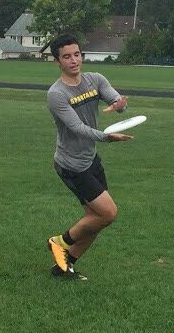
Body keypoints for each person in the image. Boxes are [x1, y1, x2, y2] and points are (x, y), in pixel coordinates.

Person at [44, 34, 133, 281]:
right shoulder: (57, 94)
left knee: (96, 219)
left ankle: (64, 266)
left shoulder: (95, 79)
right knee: (108, 214)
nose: (74, 60)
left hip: (90, 159)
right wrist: (107, 137)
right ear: (57, 61)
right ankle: (59, 242)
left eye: (77, 54)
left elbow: (118, 102)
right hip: (71, 164)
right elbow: (78, 129)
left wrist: (120, 104)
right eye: (66, 57)